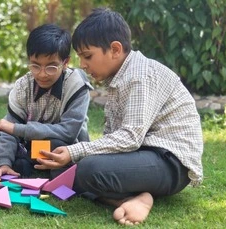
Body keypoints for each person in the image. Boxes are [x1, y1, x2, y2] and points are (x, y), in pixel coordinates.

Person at [35, 8, 204, 226]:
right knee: (66, 163)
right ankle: (132, 199)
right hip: (141, 156)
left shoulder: (139, 76)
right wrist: (73, 153)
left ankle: (134, 197)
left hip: (169, 163)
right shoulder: (120, 77)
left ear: (115, 49)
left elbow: (130, 137)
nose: (83, 65)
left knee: (88, 168)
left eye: (88, 56)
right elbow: (115, 142)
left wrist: (77, 152)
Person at [0, 24, 93, 179]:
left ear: (65, 63)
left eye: (51, 67)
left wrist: (17, 129)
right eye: (35, 66)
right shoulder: (23, 85)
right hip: (28, 143)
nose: (42, 74)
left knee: (56, 144)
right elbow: (9, 130)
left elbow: (68, 132)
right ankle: (24, 161)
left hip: (65, 146)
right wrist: (4, 163)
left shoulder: (76, 85)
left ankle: (30, 162)